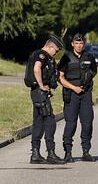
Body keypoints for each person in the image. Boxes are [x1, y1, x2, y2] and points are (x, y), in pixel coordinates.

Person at [57, 33, 97, 163]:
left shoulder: (89, 56)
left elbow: (93, 72)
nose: (79, 45)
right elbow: (60, 77)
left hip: (85, 94)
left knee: (87, 123)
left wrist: (86, 82)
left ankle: (86, 151)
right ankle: (68, 152)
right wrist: (73, 87)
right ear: (72, 44)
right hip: (71, 94)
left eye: (81, 43)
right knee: (71, 124)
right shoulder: (66, 58)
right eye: (77, 43)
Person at [27, 35, 65, 164]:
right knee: (49, 121)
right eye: (56, 50)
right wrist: (42, 86)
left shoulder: (43, 55)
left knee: (38, 122)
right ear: (50, 46)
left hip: (38, 93)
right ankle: (51, 153)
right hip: (39, 92)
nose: (57, 52)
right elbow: (37, 69)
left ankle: (35, 154)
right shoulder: (41, 55)